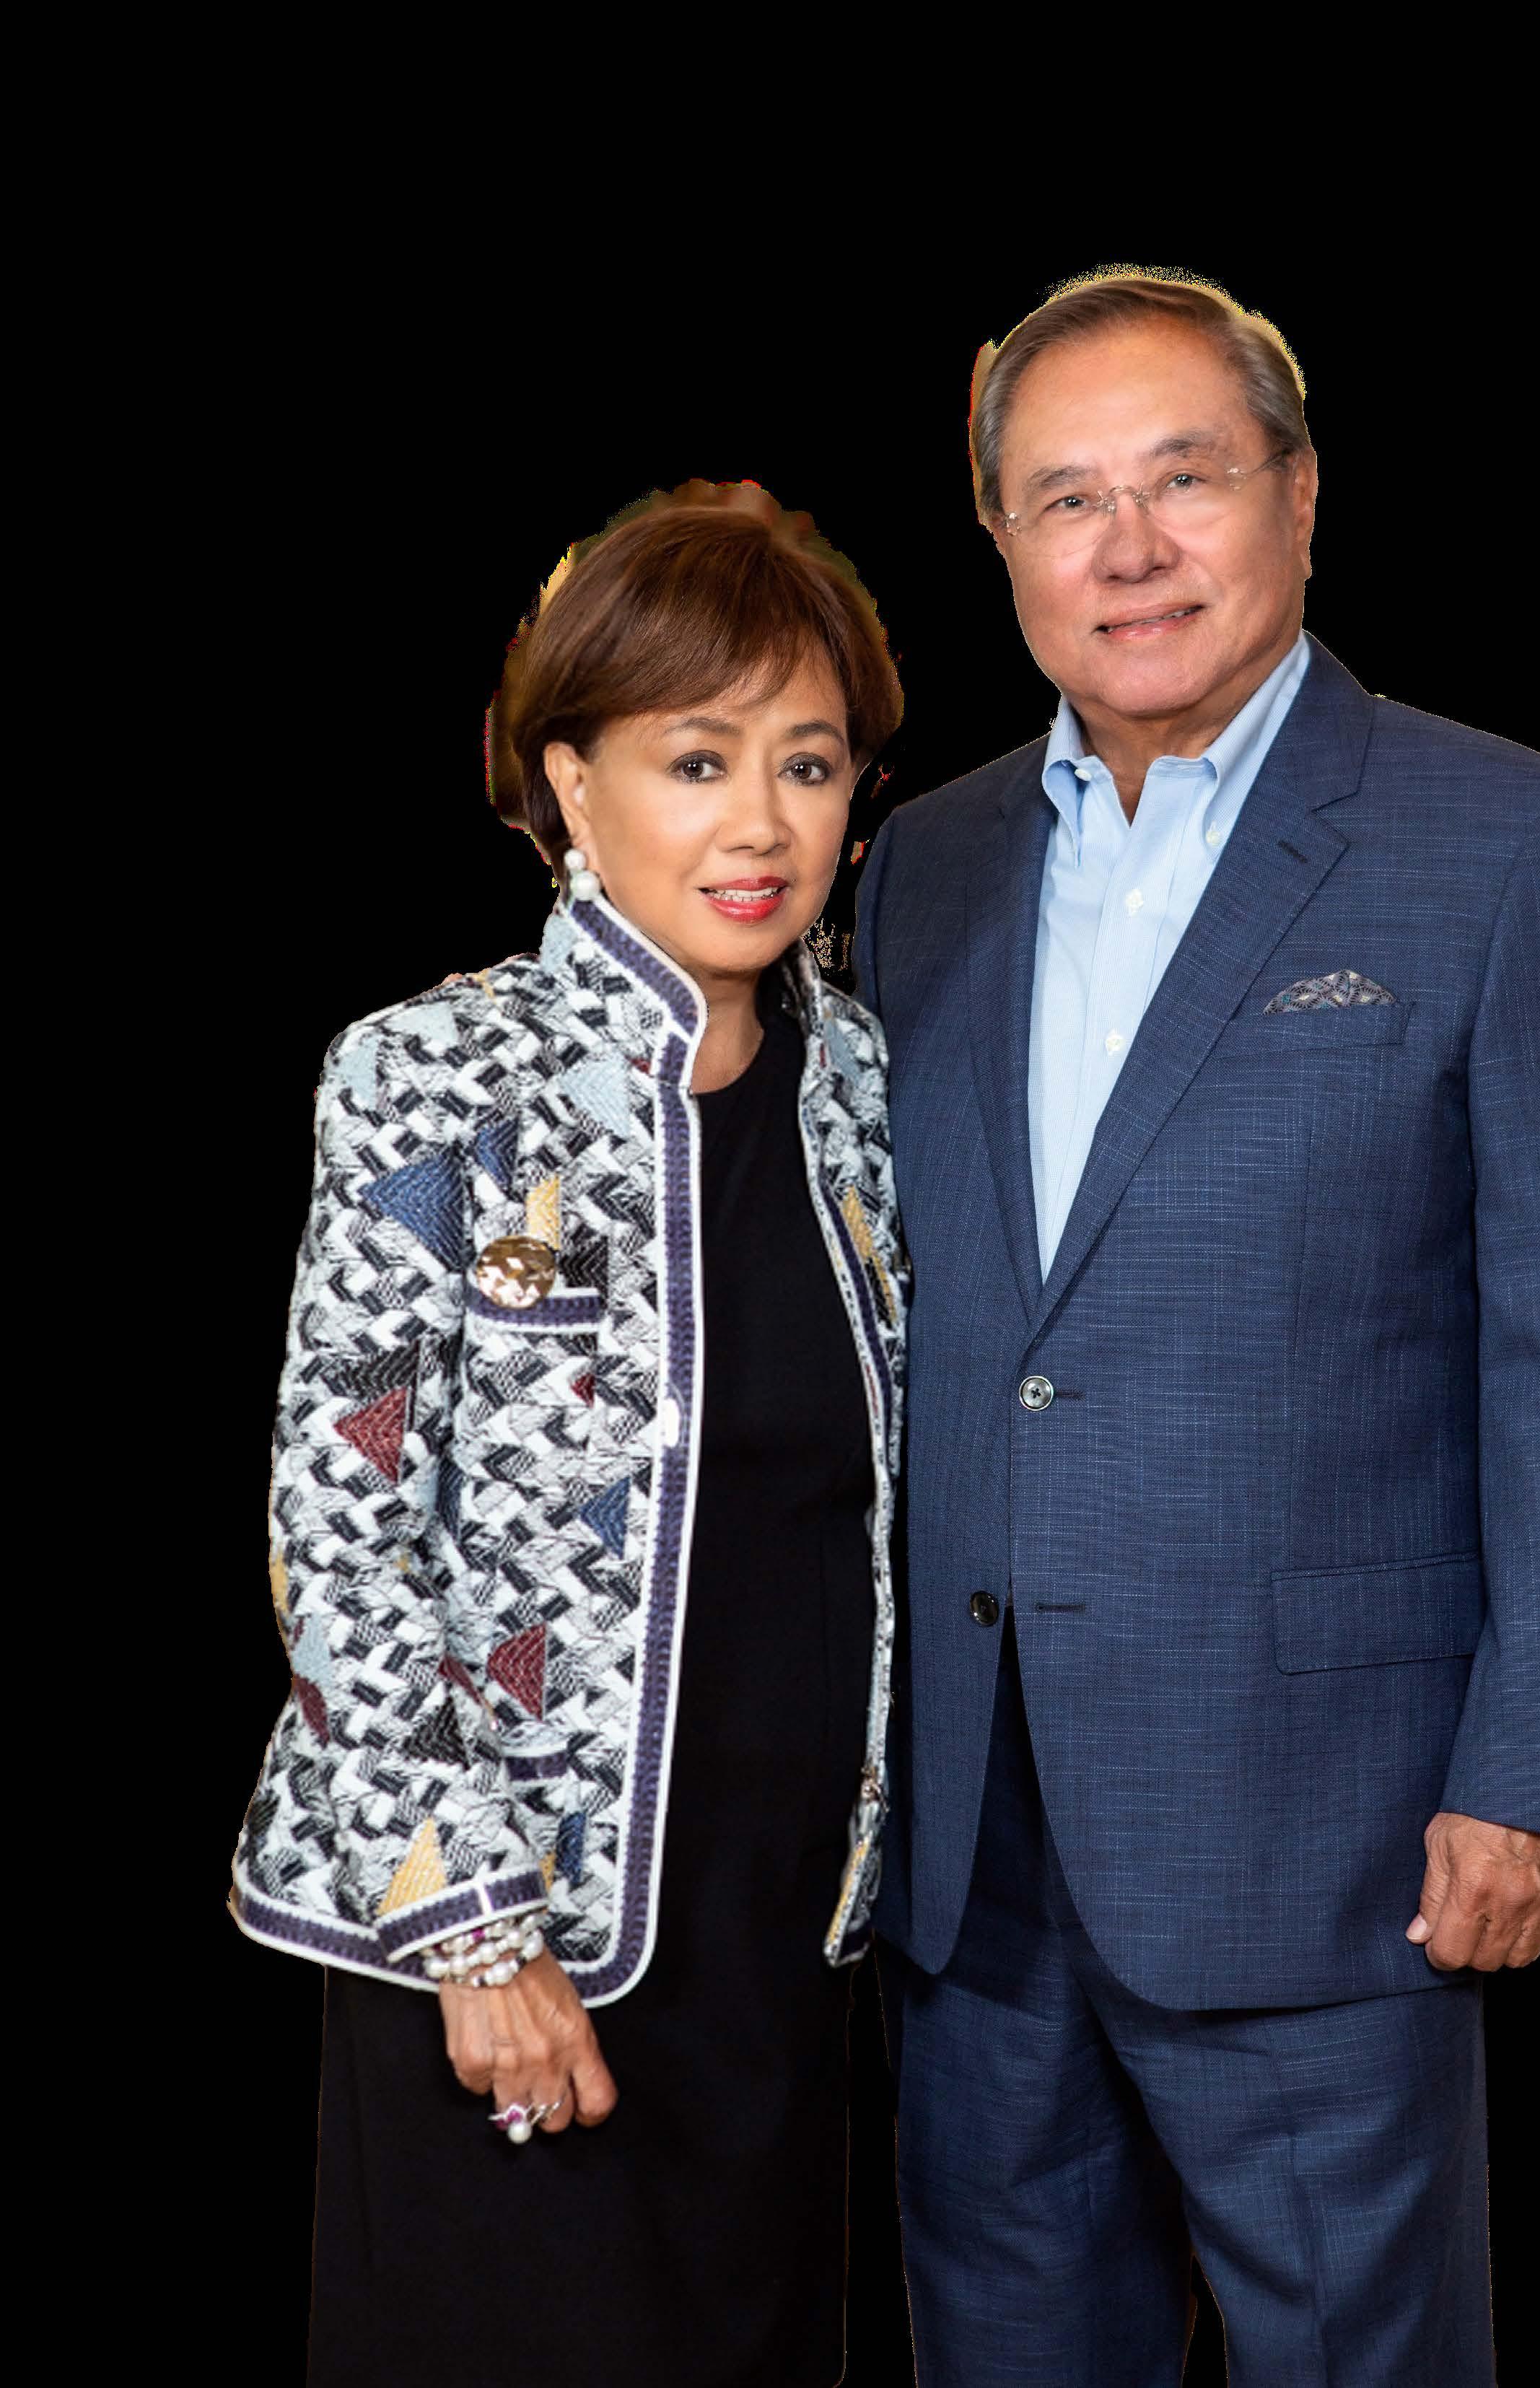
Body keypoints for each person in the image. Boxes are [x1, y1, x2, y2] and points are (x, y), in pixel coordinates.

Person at [852, 269, 1540, 2384]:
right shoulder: (921, 865)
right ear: (1004, 545)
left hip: (1337, 1838)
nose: (1130, 549)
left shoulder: (1511, 845)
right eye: (1066, 500)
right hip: (971, 1853)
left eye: (1187, 479)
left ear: (1301, 498)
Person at [229, 481, 908, 2387]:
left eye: (808, 763)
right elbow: (340, 1537)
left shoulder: (863, 1084)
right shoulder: (430, 1075)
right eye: (697, 761)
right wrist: (473, 1930)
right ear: (569, 784)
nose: (761, 823)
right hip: (509, 1945)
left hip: (782, 1949)